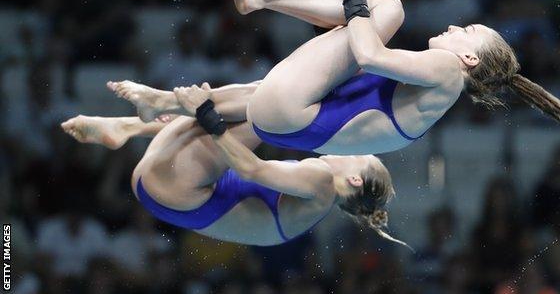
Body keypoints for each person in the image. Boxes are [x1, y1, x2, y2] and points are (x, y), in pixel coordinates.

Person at [107, 0, 560, 173]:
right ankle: (167, 101)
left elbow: (368, 53)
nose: (457, 27)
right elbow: (358, 69)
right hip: (286, 120)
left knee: (386, 7)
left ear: (469, 57)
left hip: (293, 115)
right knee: (370, 17)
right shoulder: (438, 87)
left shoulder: (446, 71)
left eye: (467, 31)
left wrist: (352, 1)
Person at [61, 84, 408, 248]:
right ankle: (128, 126)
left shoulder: (321, 182)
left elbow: (251, 170)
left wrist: (206, 113)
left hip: (175, 190)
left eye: (364, 153)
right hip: (168, 189)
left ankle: (142, 116)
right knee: (263, 104)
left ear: (354, 179)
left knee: (263, 112)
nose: (355, 147)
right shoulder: (317, 195)